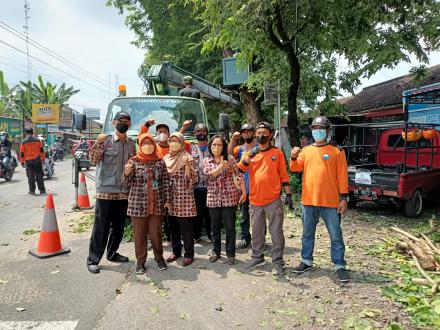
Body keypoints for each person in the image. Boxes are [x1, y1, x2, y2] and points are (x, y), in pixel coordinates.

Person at [290, 116, 349, 282]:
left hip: (331, 202)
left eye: (321, 128)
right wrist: (293, 156)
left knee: (335, 235)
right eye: (315, 128)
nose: (318, 131)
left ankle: (339, 264)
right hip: (309, 201)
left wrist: (343, 198)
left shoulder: (337, 151)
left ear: (328, 131)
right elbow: (295, 168)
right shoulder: (306, 151)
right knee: (307, 234)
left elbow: (342, 176)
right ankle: (306, 260)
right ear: (311, 130)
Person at [238, 122, 293, 276]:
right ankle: (257, 257)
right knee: (256, 232)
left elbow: (284, 175)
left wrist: (288, 194)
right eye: (258, 133)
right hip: (255, 200)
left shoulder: (277, 153)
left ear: (270, 135)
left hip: (273, 199)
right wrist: (249, 156)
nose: (261, 135)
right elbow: (240, 169)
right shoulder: (249, 152)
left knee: (275, 231)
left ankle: (277, 261)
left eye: (264, 133)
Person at [86, 111, 136, 274]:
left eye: (126, 121)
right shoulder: (105, 140)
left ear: (130, 125)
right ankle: (93, 259)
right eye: (120, 120)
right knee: (101, 227)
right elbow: (93, 160)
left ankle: (112, 253)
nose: (123, 123)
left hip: (123, 192)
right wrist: (98, 144)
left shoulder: (131, 144)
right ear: (114, 123)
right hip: (105, 192)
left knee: (119, 227)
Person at [122, 133, 171, 274]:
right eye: (144, 143)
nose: (148, 146)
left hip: (157, 204)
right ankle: (140, 262)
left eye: (150, 143)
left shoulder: (160, 161)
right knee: (139, 235)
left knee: (156, 234)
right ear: (140, 145)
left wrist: (168, 201)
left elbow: (166, 183)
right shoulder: (133, 161)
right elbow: (126, 183)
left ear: (154, 145)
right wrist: (126, 173)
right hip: (138, 205)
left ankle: (159, 258)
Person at [204, 135, 246, 265]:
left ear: (224, 147)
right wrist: (221, 167)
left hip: (230, 198)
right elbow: (209, 177)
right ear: (210, 147)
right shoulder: (207, 160)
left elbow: (239, 176)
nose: (216, 147)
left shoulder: (231, 159)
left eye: (219, 145)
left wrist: (244, 192)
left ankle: (230, 254)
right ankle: (216, 251)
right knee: (214, 227)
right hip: (213, 198)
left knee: (230, 228)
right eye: (214, 145)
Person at [164, 132, 197, 267]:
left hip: (184, 198)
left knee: (186, 227)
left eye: (176, 140)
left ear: (182, 143)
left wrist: (188, 169)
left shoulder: (187, 157)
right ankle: (176, 251)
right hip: (170, 198)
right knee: (173, 227)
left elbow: (195, 178)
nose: (173, 143)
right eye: (171, 140)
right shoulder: (165, 158)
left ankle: (189, 254)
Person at [228, 123, 256, 249]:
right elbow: (228, 154)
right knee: (244, 216)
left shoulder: (260, 147)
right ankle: (245, 238)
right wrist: (233, 139)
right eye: (244, 132)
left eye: (249, 131)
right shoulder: (239, 149)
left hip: (258, 188)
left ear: (253, 133)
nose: (247, 134)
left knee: (258, 216)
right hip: (243, 188)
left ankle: (259, 240)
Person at [190, 123, 212, 242]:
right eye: (198, 132)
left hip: (210, 186)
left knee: (209, 213)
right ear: (194, 134)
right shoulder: (191, 148)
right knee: (196, 212)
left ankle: (210, 235)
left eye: (203, 131)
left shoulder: (212, 147)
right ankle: (196, 235)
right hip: (196, 186)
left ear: (207, 133)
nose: (201, 133)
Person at [20, 128, 46, 195]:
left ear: (26, 133)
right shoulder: (38, 140)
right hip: (37, 160)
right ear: (32, 133)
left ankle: (32, 191)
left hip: (28, 161)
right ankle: (42, 191)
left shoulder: (23, 142)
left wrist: (22, 162)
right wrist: (43, 158)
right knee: (39, 175)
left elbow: (22, 153)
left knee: (30, 176)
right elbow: (41, 150)